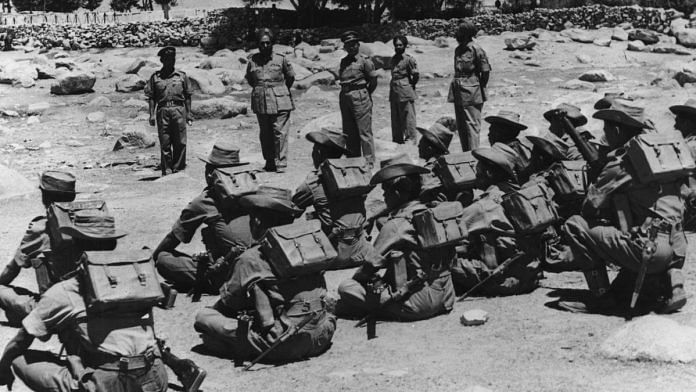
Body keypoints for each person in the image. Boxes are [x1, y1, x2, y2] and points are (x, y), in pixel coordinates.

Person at [0, 214, 208, 392]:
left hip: (110, 383)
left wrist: (3, 367)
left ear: (76, 246)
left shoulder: (68, 289)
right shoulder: (138, 276)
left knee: (19, 359)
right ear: (113, 244)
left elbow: (21, 340)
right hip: (155, 377)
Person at [555, 102, 689, 314]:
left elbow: (590, 207)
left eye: (607, 129)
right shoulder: (661, 155)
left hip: (650, 250)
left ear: (617, 130)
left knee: (575, 225)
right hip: (677, 248)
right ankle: (674, 281)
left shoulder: (622, 161)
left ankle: (601, 297)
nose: (605, 134)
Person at [194, 186, 336, 363]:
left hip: (287, 341)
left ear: (257, 221)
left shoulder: (251, 257)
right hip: (324, 331)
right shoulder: (309, 243)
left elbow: (229, 303)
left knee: (204, 319)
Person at [337, 156, 456, 321]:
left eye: (386, 192)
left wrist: (359, 281)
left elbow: (372, 264)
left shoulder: (397, 225)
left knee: (347, 288)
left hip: (418, 302)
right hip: (447, 295)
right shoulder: (432, 212)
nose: (384, 198)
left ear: (398, 193)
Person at [153, 143, 253, 293]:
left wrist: (152, 258)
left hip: (228, 273)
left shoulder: (205, 201)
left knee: (163, 259)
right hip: (258, 267)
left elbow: (173, 238)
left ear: (209, 173)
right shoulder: (254, 192)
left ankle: (211, 282)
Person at [451, 144, 542, 296]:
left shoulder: (484, 206)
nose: (475, 176)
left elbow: (455, 231)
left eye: (478, 172)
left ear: (488, 173)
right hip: (530, 274)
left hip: (504, 279)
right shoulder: (519, 194)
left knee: (438, 259)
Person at [292, 128, 378, 270]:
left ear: (318, 153)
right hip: (362, 252)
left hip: (333, 256)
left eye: (314, 149)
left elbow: (292, 210)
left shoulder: (314, 183)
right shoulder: (357, 176)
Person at [0, 171, 76, 326]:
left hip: (57, 305)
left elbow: (14, 267)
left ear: (44, 196)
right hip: (94, 296)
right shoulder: (94, 223)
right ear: (72, 196)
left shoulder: (42, 227)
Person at [246, 28, 296, 173]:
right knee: (265, 133)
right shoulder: (253, 60)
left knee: (279, 131)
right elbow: (250, 79)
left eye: (268, 43)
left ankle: (280, 162)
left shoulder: (281, 59)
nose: (265, 46)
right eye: (262, 44)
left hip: (280, 99)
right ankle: (269, 162)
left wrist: (281, 90)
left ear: (272, 44)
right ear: (258, 45)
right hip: (261, 100)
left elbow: (290, 77)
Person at [145, 46, 192, 176]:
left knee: (180, 141)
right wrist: (152, 115)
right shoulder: (155, 77)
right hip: (163, 110)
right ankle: (167, 169)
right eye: (168, 59)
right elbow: (151, 98)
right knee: (165, 141)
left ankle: (178, 168)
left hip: (179, 109)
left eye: (173, 59)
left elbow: (188, 95)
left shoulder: (182, 76)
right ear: (162, 60)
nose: (171, 61)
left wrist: (189, 113)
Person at [449, 20, 491, 152]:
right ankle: (466, 154)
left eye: (460, 30)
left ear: (467, 33)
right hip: (458, 92)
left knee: (472, 126)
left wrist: (478, 88)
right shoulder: (458, 49)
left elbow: (485, 71)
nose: (457, 33)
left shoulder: (476, 49)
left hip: (472, 91)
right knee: (461, 126)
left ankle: (474, 156)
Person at [339, 31, 378, 166]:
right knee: (349, 132)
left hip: (360, 96)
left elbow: (373, 81)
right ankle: (354, 161)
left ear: (358, 45)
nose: (350, 47)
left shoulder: (365, 61)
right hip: (345, 97)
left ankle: (369, 162)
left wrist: (365, 94)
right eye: (347, 45)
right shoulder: (343, 62)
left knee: (364, 132)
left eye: (353, 44)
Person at [485, 110, 531, 181]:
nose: (489, 135)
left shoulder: (511, 151)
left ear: (503, 132)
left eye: (492, 131)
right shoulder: (517, 146)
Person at [389, 35, 419, 144]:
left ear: (405, 46)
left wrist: (411, 85)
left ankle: (411, 139)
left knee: (408, 117)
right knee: (395, 118)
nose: (398, 47)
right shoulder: (393, 59)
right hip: (394, 91)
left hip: (405, 90)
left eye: (400, 45)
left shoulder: (408, 59)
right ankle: (397, 140)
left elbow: (415, 75)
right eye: (396, 45)